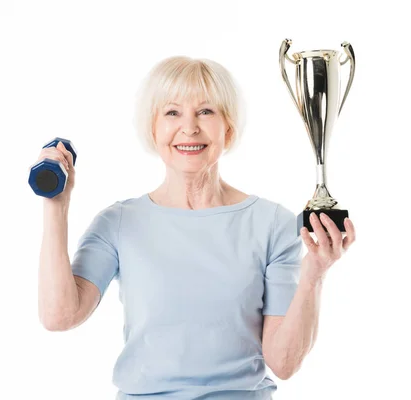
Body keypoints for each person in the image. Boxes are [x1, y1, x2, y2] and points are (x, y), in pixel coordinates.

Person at [37, 55, 356, 400]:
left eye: (206, 112)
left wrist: (314, 275)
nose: (189, 128)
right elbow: (59, 316)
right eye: (172, 113)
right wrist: (57, 207)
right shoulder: (118, 223)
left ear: (228, 128)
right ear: (153, 128)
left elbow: (283, 362)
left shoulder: (272, 224)